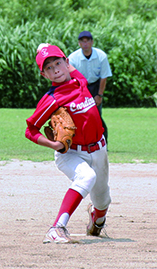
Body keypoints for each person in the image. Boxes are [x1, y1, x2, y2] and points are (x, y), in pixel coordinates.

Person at [25, 44, 111, 244]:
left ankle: (96, 221)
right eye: (48, 68)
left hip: (99, 149)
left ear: (67, 63)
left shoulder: (80, 81)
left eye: (58, 63)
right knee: (86, 176)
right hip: (71, 153)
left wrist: (47, 47)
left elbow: (67, 66)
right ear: (44, 75)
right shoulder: (52, 99)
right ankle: (57, 228)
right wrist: (53, 145)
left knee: (103, 201)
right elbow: (31, 130)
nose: (55, 69)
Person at [68, 31, 112, 145]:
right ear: (79, 43)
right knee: (79, 115)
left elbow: (104, 77)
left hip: (96, 86)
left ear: (92, 42)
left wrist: (99, 95)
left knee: (96, 116)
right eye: (82, 40)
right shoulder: (73, 58)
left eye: (88, 40)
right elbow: (70, 78)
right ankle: (79, 142)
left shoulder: (101, 56)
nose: (85, 43)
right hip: (79, 87)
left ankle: (103, 143)